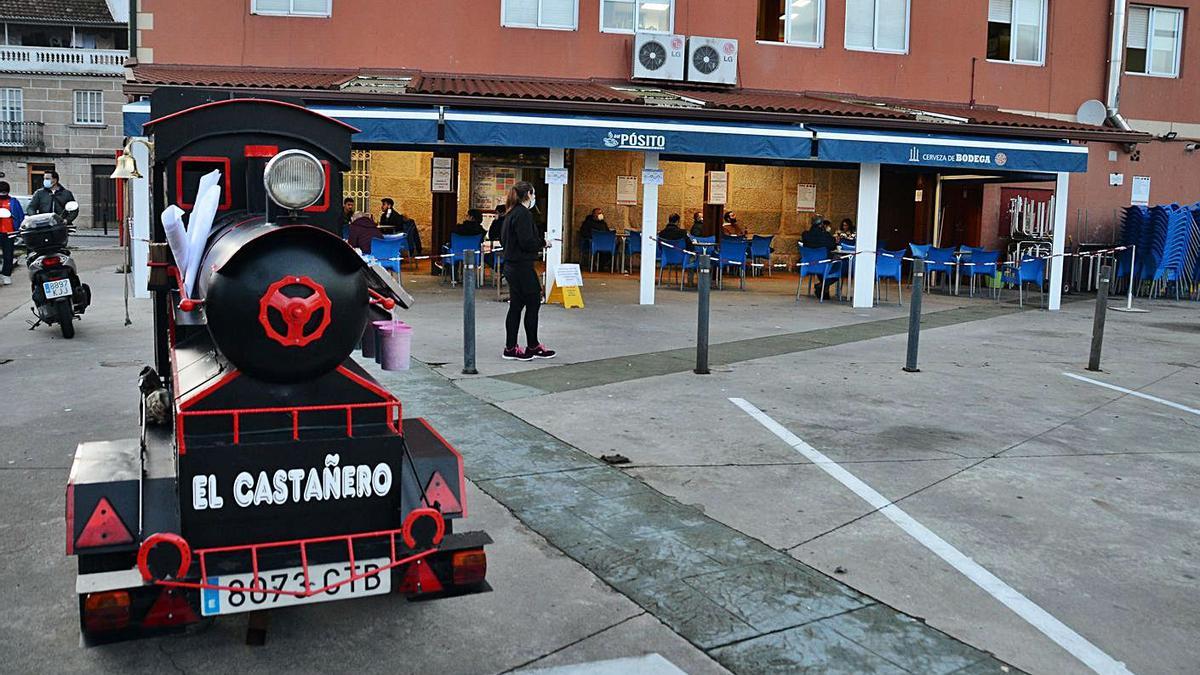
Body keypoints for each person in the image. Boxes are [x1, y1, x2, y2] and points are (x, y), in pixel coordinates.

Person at [501, 181, 555, 361]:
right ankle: (532, 345)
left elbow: (505, 240)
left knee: (516, 305)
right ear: (529, 195)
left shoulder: (510, 213)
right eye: (533, 194)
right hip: (521, 266)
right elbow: (526, 241)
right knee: (533, 303)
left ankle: (511, 346)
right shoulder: (523, 214)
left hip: (511, 265)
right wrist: (543, 243)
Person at [0, 181, 24, 285]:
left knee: (8, 255)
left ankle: (6, 275)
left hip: (9, 232)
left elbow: (20, 216)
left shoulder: (13, 202)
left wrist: (19, 230)